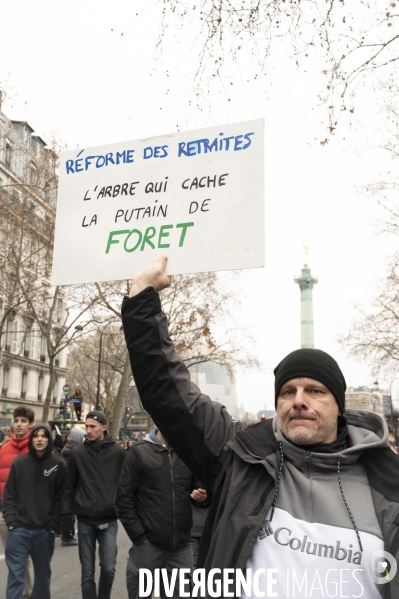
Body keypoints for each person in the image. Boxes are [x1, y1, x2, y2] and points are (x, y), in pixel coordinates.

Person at [121, 256, 399, 598]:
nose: (298, 400)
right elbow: (170, 394)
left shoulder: (386, 480)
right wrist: (141, 299)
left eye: (315, 391)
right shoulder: (241, 456)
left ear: (339, 406)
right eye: (287, 391)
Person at [116, 427, 207, 599]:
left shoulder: (188, 453)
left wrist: (202, 497)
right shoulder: (139, 451)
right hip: (148, 545)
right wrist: (139, 537)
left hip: (181, 546)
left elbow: (197, 489)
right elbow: (123, 499)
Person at [62, 410, 126, 599]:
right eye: (86, 426)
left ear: (104, 428)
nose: (88, 430)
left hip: (109, 520)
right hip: (85, 521)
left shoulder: (119, 453)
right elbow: (69, 488)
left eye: (92, 427)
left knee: (108, 568)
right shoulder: (78, 453)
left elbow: (128, 484)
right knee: (87, 573)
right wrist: (66, 519)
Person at [3, 423, 66, 599]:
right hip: (18, 531)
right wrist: (12, 523)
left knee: (42, 579)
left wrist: (52, 525)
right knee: (16, 577)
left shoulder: (59, 464)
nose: (39, 439)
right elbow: (9, 495)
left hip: (44, 532)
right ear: (31, 439)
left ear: (49, 439)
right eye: (36, 436)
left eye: (43, 436)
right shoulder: (19, 463)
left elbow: (62, 499)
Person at [0, 407, 35, 599]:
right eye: (16, 420)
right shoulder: (4, 449)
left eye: (23, 421)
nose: (18, 424)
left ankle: (26, 593)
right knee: (15, 558)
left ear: (31, 424)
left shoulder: (38, 447)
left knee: (25, 558)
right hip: (6, 512)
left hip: (31, 513)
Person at [60, 427, 86, 547]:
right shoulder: (76, 450)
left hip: (67, 484)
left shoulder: (68, 448)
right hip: (72, 485)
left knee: (70, 512)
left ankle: (67, 535)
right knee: (71, 512)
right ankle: (67, 536)